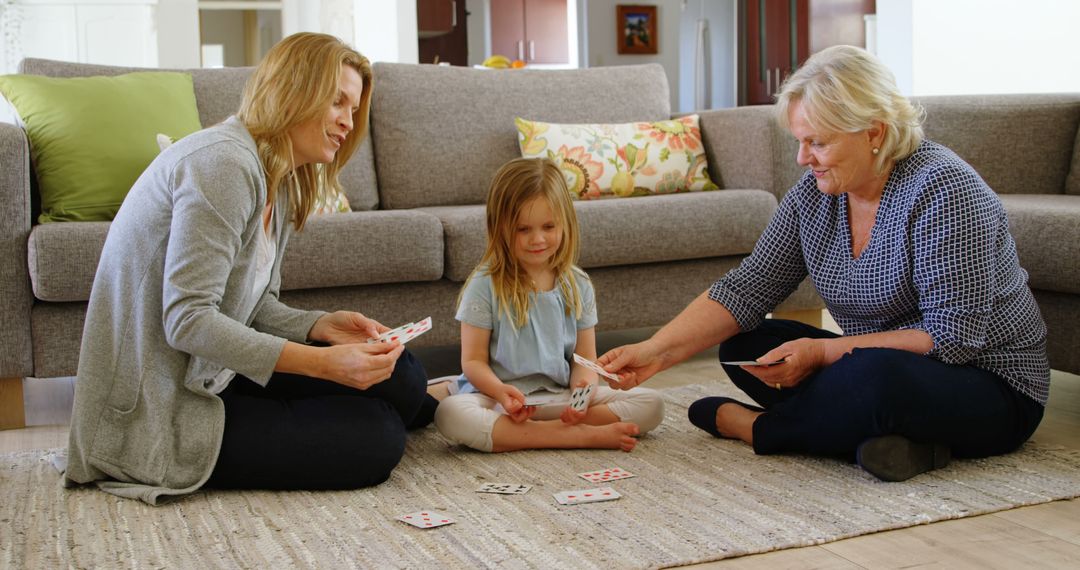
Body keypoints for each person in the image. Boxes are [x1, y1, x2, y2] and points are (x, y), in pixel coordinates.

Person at [597, 45, 1048, 482]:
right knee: (747, 349)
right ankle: (901, 442)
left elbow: (952, 341)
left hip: (988, 384)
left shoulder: (944, 190)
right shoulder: (815, 195)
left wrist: (825, 352)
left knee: (869, 373)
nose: (802, 158)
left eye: (817, 143)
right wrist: (655, 352)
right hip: (884, 374)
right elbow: (746, 289)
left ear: (874, 132)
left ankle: (761, 429)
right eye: (800, 141)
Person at [64, 33, 437, 504]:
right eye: (337, 102)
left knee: (402, 375)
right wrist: (321, 363)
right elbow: (189, 320)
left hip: (215, 370)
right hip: (162, 404)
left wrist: (320, 327)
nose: (348, 121)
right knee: (379, 435)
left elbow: (253, 305)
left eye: (353, 107)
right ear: (293, 89)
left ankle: (395, 404)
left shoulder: (275, 173)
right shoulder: (223, 165)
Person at [433, 158, 665, 452]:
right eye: (522, 229)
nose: (537, 239)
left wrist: (584, 389)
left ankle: (532, 433)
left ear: (565, 223)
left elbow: (585, 362)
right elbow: (474, 361)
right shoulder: (485, 284)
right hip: (498, 400)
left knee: (652, 404)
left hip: (558, 398)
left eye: (548, 226)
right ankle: (570, 435)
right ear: (500, 227)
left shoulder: (577, 284)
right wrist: (501, 392)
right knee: (450, 413)